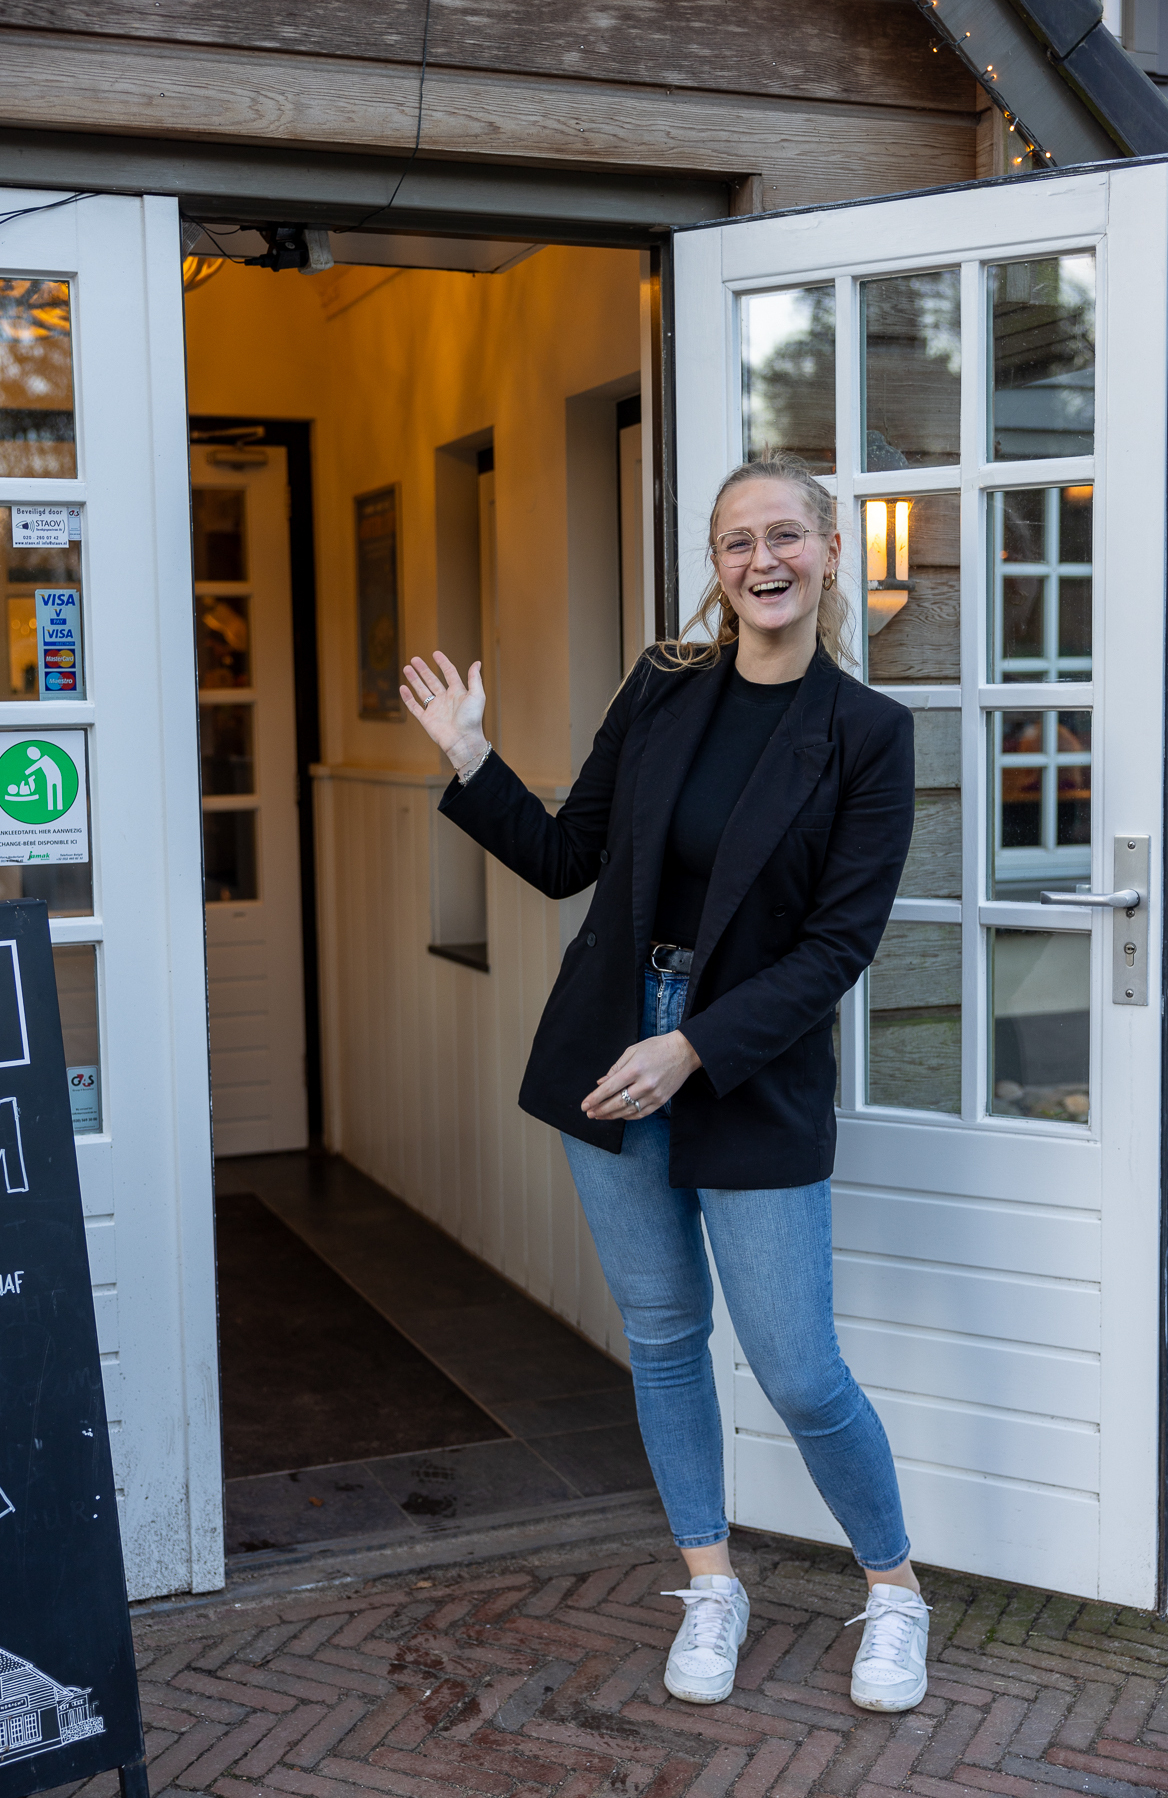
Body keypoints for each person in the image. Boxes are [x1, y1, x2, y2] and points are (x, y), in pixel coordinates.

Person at [400, 449, 927, 1713]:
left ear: (829, 551)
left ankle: (896, 1591)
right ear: (717, 565)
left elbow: (837, 948)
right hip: (608, 1049)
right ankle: (710, 1578)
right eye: (739, 541)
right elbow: (570, 853)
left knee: (800, 1370)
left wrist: (692, 1045)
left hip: (743, 1064)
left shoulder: (869, 733)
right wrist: (472, 758)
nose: (763, 561)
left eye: (786, 536)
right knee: (664, 1338)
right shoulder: (663, 685)